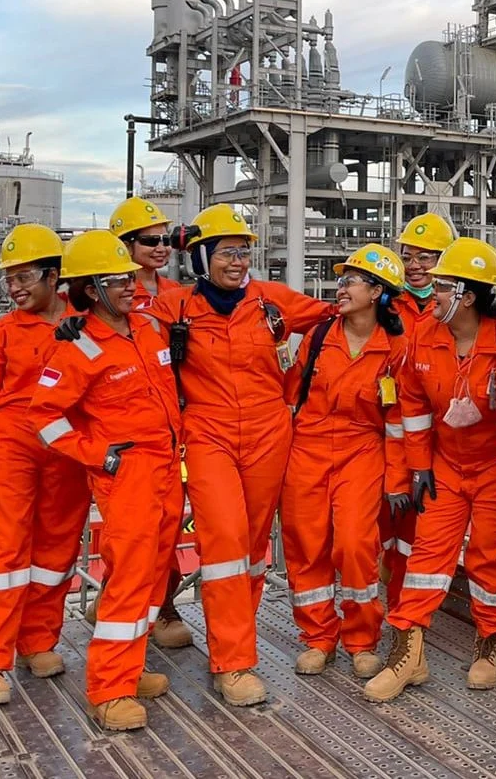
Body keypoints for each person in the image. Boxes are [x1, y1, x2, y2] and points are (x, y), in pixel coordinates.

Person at [145, 204, 333, 706]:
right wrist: (69, 318)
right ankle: (234, 661)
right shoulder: (175, 309)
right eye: (228, 252)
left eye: (244, 252)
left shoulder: (271, 302)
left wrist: (403, 305)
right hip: (209, 435)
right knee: (225, 542)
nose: (238, 261)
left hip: (270, 433)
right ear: (202, 256)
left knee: (250, 550)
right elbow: (118, 324)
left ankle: (235, 638)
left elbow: (334, 313)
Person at [28, 230, 183, 731]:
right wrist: (99, 456)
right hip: (129, 474)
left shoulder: (149, 328)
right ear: (91, 289)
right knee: (132, 577)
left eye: (131, 278)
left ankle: (130, 669)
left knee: (152, 575)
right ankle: (110, 689)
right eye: (117, 281)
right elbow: (45, 418)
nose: (130, 287)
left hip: (164, 468)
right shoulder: (79, 348)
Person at [363, 238, 496, 703]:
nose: (431, 297)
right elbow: (411, 406)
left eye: (443, 289)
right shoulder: (424, 337)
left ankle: (491, 643)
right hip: (445, 468)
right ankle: (407, 655)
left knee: (492, 560)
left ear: (468, 296)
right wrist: (418, 468)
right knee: (426, 559)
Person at [0, 225, 91, 706]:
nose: (15, 288)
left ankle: (38, 640)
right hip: (12, 446)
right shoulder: (0, 336)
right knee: (2, 554)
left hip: (67, 450)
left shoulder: (85, 325)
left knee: (56, 551)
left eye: (24, 277)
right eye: (9, 279)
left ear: (54, 277)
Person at [281, 243, 407, 680]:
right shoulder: (319, 337)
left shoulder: (394, 348)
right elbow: (290, 393)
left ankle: (361, 639)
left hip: (362, 452)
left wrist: (396, 478)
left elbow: (397, 421)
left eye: (350, 280)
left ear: (377, 292)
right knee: (306, 544)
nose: (341, 288)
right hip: (307, 449)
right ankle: (318, 637)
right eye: (341, 280)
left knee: (355, 545)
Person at [104, 194, 190, 648]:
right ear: (124, 246)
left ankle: (161, 602)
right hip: (126, 429)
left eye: (165, 241)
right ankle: (127, 605)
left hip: (176, 419)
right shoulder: (106, 297)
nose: (161, 248)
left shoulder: (178, 296)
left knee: (170, 520)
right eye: (149, 241)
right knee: (131, 528)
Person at [381, 213, 456, 607]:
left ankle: (410, 611)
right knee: (387, 530)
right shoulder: (389, 305)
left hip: (439, 439)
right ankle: (398, 607)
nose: (415, 266)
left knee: (420, 533)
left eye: (425, 258)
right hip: (389, 432)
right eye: (408, 257)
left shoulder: (455, 309)